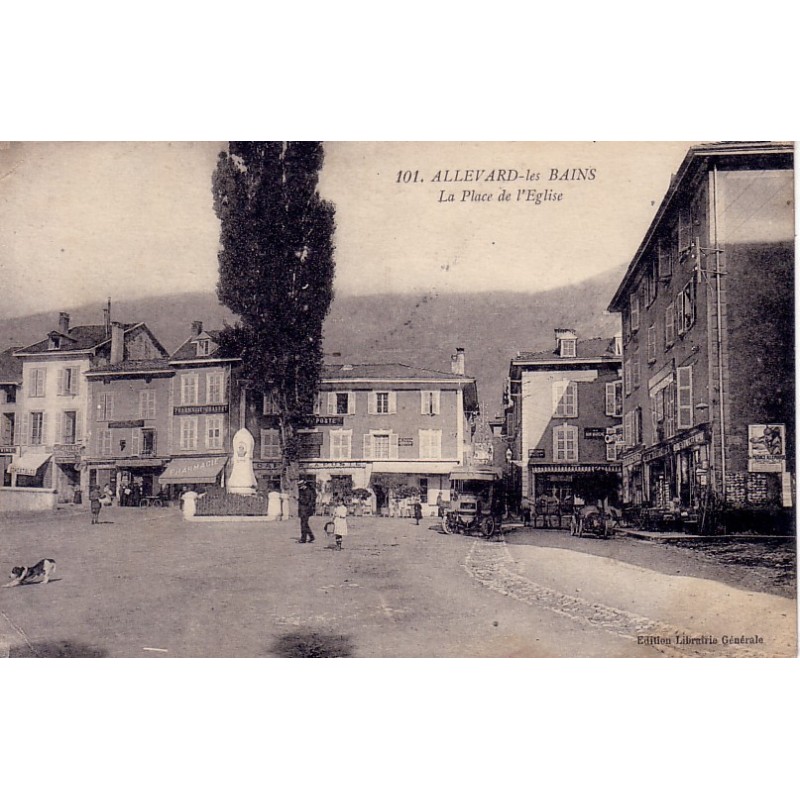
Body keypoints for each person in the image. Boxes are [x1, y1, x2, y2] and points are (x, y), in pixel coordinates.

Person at [298, 479, 316, 544]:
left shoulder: (308, 491)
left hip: (306, 510)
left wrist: (299, 499)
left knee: (303, 524)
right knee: (305, 524)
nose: (299, 487)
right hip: (304, 510)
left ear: (303, 485)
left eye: (300, 486)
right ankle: (311, 537)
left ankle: (303, 539)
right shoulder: (303, 491)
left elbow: (306, 501)